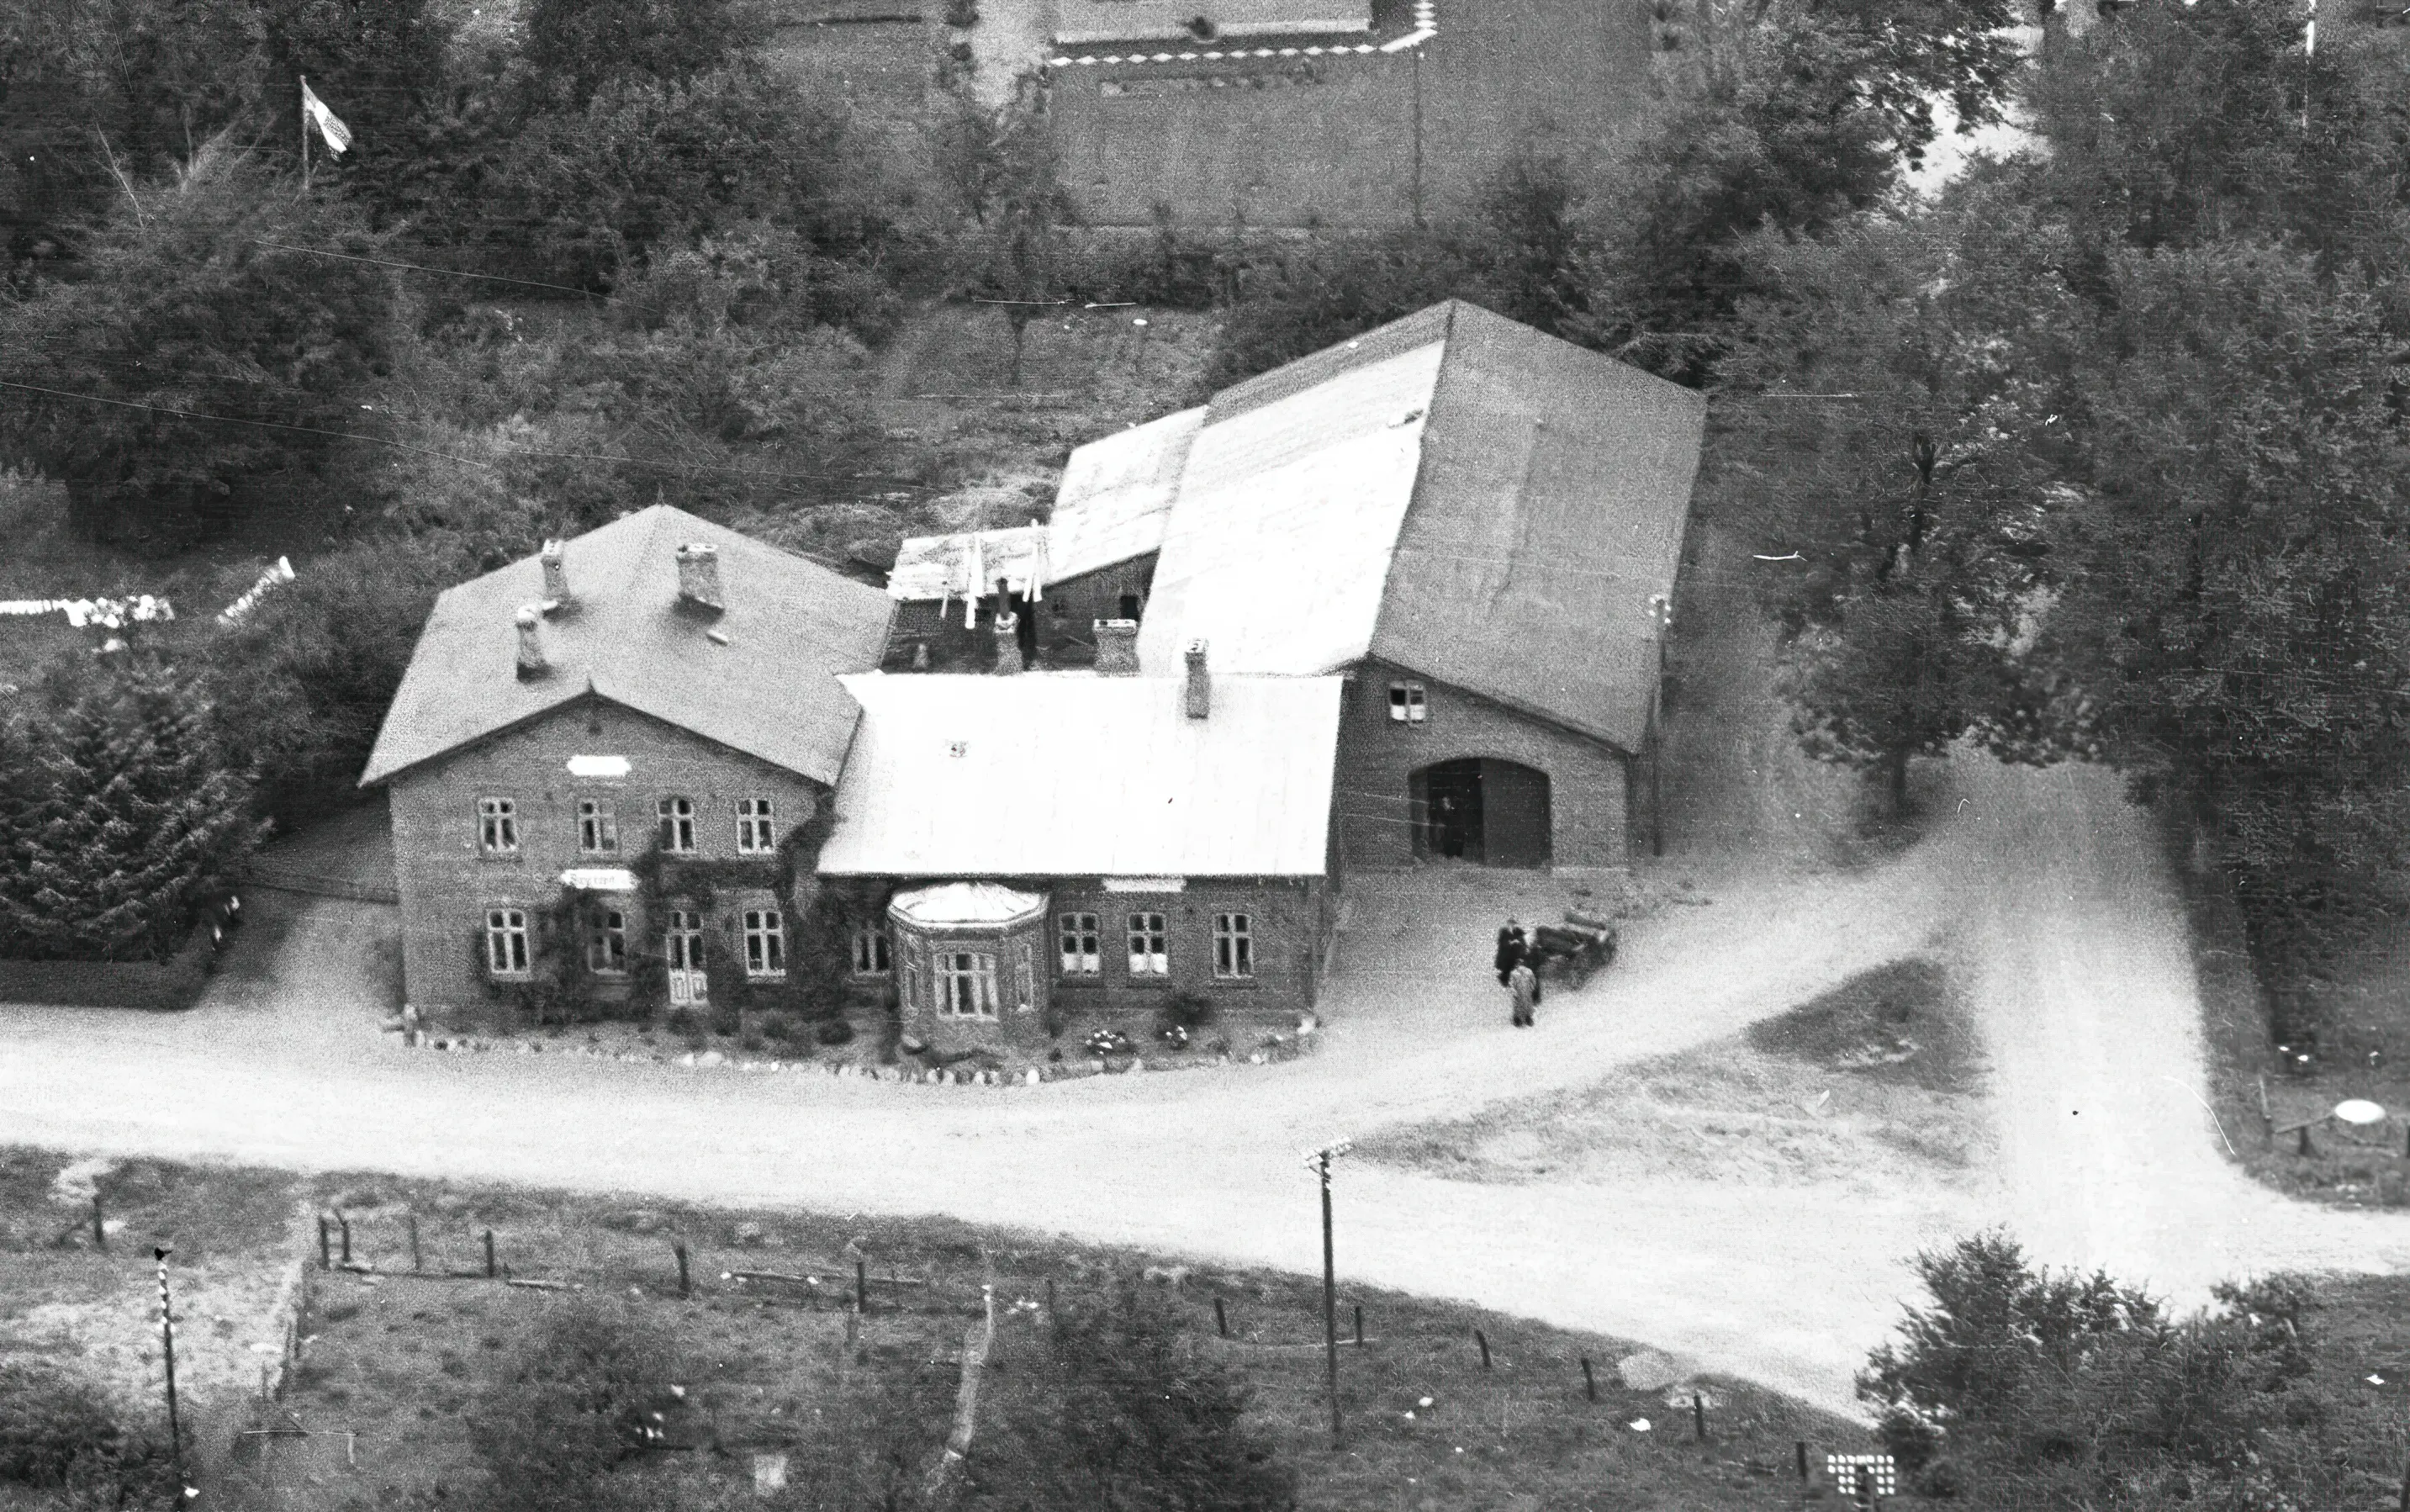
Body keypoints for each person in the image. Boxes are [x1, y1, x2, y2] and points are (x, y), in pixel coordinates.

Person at [1493, 919, 1527, 986]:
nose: (1513, 926)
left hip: (1515, 953)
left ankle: (1509, 980)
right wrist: (1511, 942)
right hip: (1506, 954)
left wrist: (1520, 941)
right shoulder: (1504, 931)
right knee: (1507, 967)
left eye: (1514, 924)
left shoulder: (1518, 931)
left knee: (1516, 964)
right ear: (1508, 924)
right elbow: (1501, 942)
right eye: (1511, 924)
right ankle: (1504, 981)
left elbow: (1524, 936)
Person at [1508, 959, 1540, 1028]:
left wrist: (1514, 992)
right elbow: (1533, 981)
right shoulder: (1528, 971)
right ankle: (1525, 1019)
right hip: (1525, 992)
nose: (1518, 966)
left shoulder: (1514, 973)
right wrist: (1531, 989)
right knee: (1525, 1005)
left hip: (1520, 992)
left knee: (1519, 1006)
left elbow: (1511, 984)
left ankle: (1521, 1020)